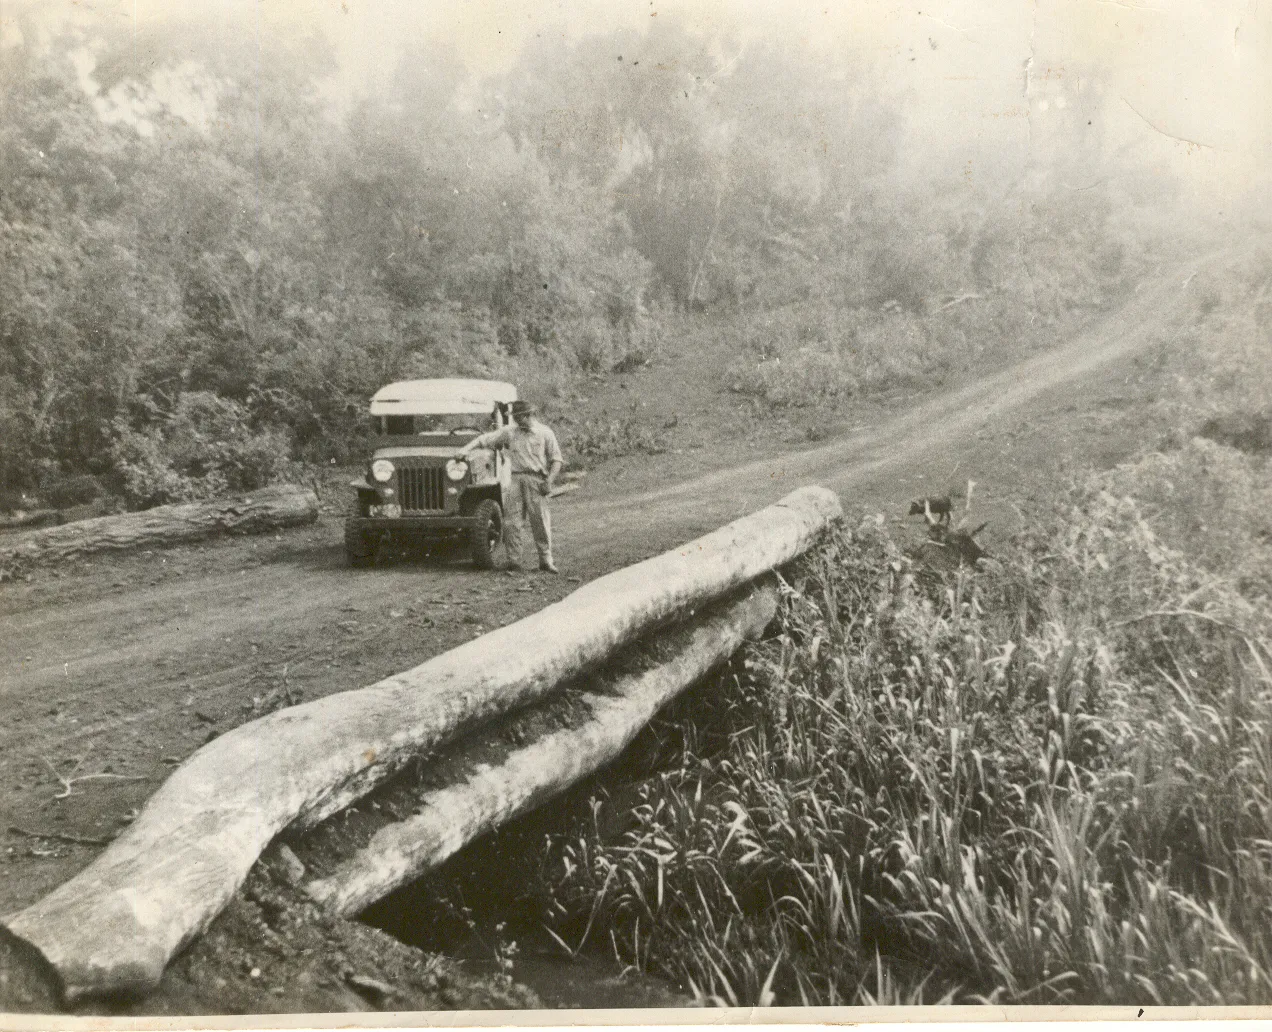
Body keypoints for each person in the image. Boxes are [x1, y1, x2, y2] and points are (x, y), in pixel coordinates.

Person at [457, 399, 563, 573]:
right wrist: (465, 450)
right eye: (515, 417)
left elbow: (556, 460)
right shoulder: (510, 432)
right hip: (515, 479)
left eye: (519, 417)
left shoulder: (545, 433)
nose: (516, 421)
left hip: (536, 480)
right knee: (511, 522)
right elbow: (484, 440)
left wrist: (549, 481)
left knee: (540, 522)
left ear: (529, 415)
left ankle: (546, 560)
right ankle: (514, 562)